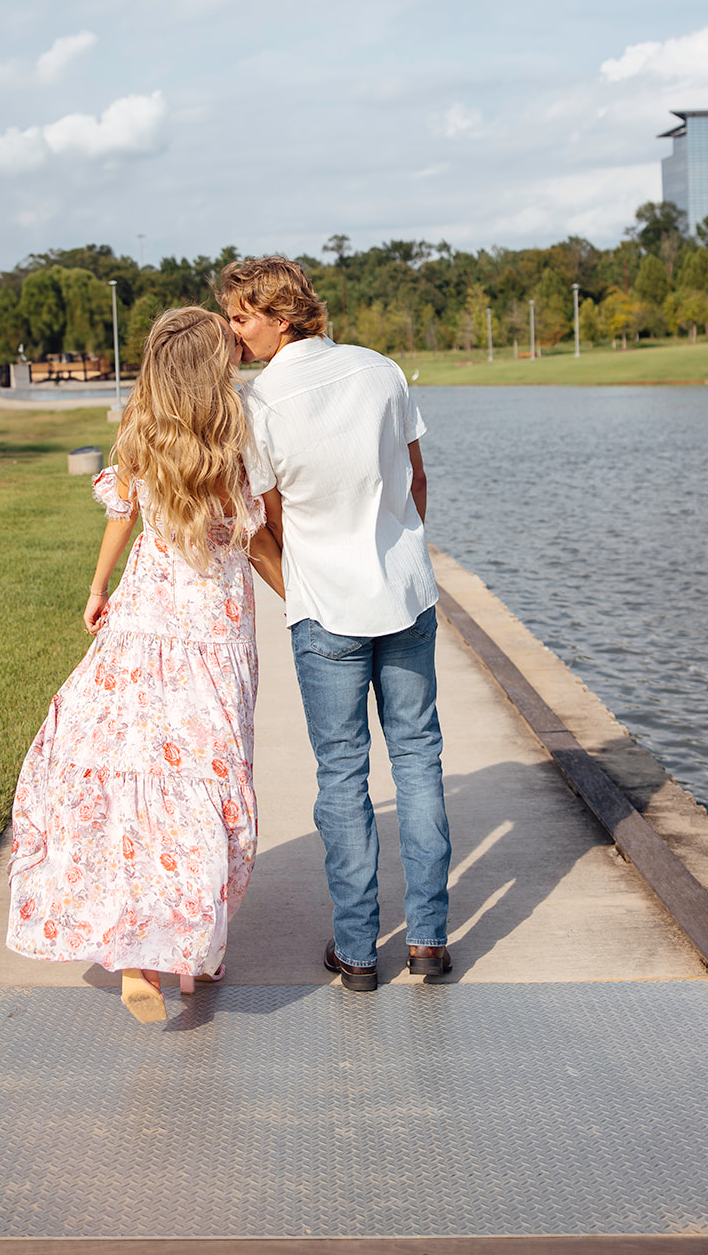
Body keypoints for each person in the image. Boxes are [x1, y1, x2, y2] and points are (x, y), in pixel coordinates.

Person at [7, 307, 284, 1024]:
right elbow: (254, 543)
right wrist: (300, 597)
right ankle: (191, 948)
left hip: (141, 625)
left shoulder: (139, 433)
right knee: (209, 777)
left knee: (140, 777)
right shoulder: (236, 441)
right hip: (215, 635)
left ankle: (141, 955)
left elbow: (120, 516)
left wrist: (98, 588)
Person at [218, 257, 451, 991]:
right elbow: (414, 479)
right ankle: (429, 941)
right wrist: (396, 547)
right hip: (405, 594)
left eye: (241, 317)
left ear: (282, 317)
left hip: (327, 613)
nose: (232, 332)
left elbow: (260, 522)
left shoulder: (257, 408)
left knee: (343, 775)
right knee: (416, 759)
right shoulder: (381, 371)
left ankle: (356, 953)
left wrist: (301, 587)